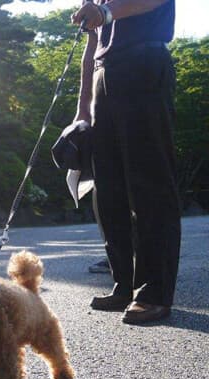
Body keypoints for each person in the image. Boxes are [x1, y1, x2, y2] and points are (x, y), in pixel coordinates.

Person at [72, 0, 180, 324]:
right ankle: (125, 284)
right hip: (104, 74)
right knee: (107, 187)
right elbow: (92, 41)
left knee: (150, 183)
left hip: (144, 62)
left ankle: (154, 292)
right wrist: (83, 108)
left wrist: (105, 12)